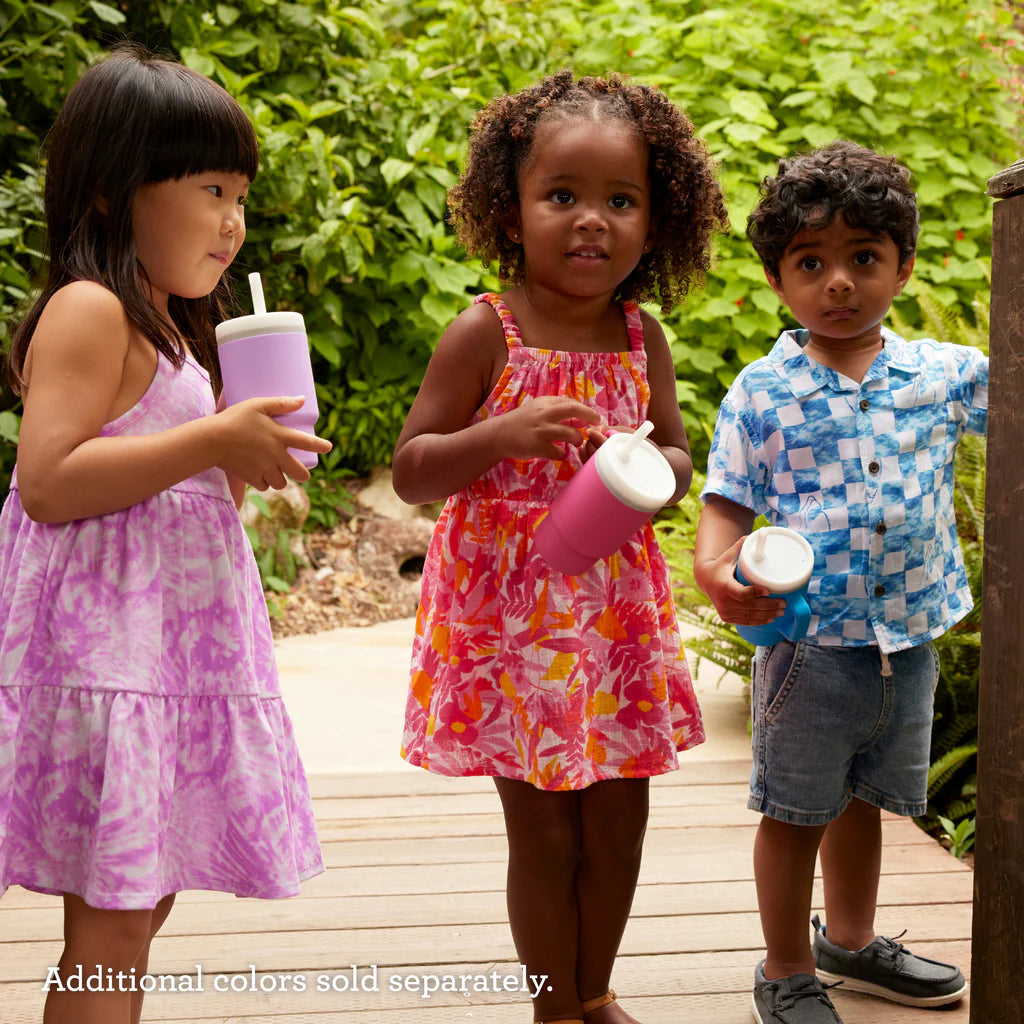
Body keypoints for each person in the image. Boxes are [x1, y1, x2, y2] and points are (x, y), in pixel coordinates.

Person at [0, 45, 331, 1024]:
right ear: (113, 194)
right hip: (104, 666)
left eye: (242, 194)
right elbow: (49, 481)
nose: (234, 219)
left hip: (162, 661)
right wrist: (210, 437)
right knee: (112, 921)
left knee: (140, 908)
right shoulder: (91, 309)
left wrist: (242, 465)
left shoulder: (174, 330)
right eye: (210, 188)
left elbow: (170, 487)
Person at [392, 71, 726, 1024]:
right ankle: (552, 1008)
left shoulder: (640, 337)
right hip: (510, 627)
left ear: (657, 224)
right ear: (512, 210)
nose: (592, 222)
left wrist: (638, 459)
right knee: (542, 835)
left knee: (620, 822)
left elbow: (672, 448)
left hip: (611, 620)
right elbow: (414, 468)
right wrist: (500, 434)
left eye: (621, 201)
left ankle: (594, 991)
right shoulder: (482, 334)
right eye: (563, 196)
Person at [694, 140, 984, 1024]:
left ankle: (849, 943)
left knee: (865, 799)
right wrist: (714, 570)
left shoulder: (941, 375)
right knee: (794, 809)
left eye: (864, 258)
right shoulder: (762, 391)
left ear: (903, 265)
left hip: (909, 637)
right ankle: (784, 968)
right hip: (808, 648)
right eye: (809, 263)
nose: (839, 283)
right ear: (779, 279)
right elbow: (727, 501)